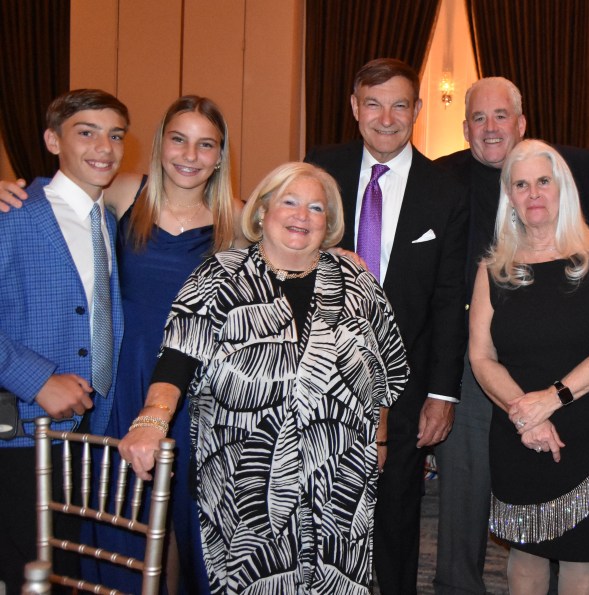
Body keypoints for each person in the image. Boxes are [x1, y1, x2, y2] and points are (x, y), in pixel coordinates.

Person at [118, 161, 409, 594]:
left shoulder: (357, 281)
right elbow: (177, 359)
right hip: (247, 483)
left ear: (328, 223)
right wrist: (152, 417)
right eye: (289, 202)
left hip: (340, 480)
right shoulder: (218, 275)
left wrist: (380, 439)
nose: (302, 216)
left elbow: (384, 370)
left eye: (316, 208)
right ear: (262, 211)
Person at [0, 95, 244, 594]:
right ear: (158, 145)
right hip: (124, 385)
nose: (190, 155)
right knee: (113, 521)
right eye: (178, 139)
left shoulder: (236, 219)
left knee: (192, 529)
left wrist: (336, 250)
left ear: (220, 155)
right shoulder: (123, 193)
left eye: (206, 144)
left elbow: (297, 236)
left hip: (199, 392)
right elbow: (55, 196)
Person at [433, 77, 589, 595]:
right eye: (521, 185)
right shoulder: (494, 268)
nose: (533, 193)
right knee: (526, 554)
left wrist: (552, 400)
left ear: (563, 187)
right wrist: (523, 410)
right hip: (517, 424)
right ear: (508, 196)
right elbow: (481, 354)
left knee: (583, 559)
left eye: (544, 182)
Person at [305, 58, 468, 595]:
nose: (386, 117)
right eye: (373, 103)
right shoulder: (318, 170)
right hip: (318, 380)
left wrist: (442, 394)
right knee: (318, 513)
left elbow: (449, 301)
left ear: (417, 111)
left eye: (400, 104)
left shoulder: (445, 191)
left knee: (397, 515)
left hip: (403, 388)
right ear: (355, 108)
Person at [0, 89, 127, 595]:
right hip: (21, 434)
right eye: (87, 132)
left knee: (70, 574)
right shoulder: (14, 213)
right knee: (30, 576)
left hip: (93, 433)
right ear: (53, 140)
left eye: (116, 135)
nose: (105, 147)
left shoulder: (113, 221)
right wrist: (38, 381)